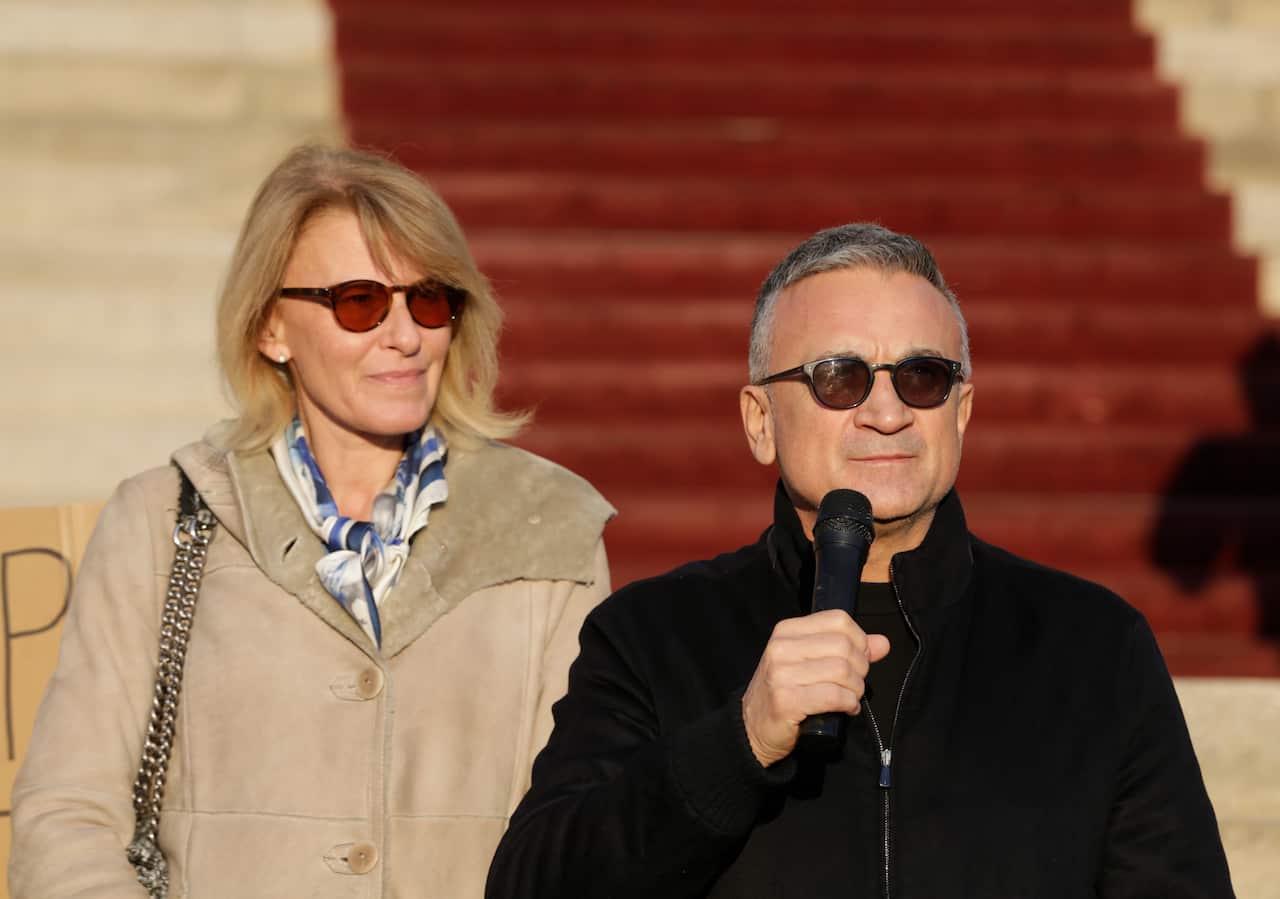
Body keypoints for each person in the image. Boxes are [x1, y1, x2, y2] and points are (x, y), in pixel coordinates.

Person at [486, 223, 1233, 898]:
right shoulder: (651, 636)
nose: (886, 411)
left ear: (961, 412)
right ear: (760, 421)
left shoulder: (1093, 647)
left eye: (923, 376)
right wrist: (739, 742)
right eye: (839, 377)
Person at [10, 144, 614, 898]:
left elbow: (574, 839)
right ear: (271, 328)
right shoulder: (160, 520)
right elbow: (65, 818)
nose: (404, 334)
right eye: (359, 301)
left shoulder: (550, 533)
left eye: (427, 299)